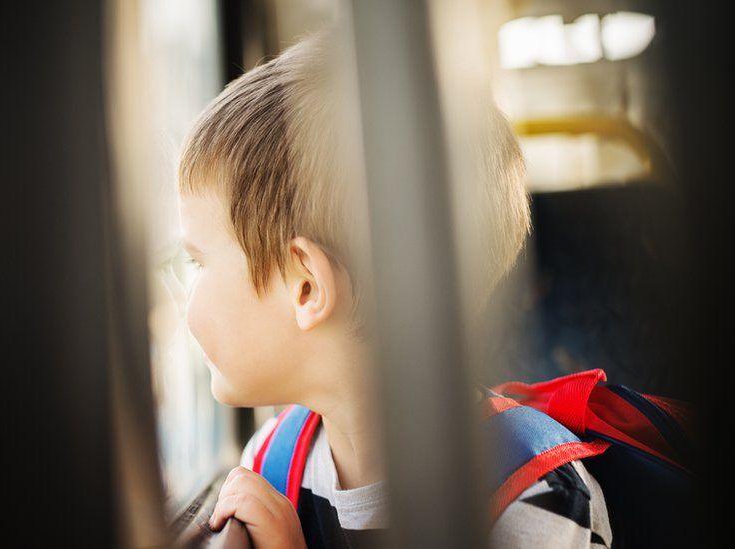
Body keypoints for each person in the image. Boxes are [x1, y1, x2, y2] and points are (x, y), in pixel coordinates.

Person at [176, 29, 611, 548]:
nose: (185, 293)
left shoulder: (534, 496)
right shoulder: (271, 463)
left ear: (307, 286)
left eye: (197, 261)